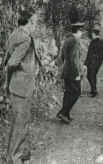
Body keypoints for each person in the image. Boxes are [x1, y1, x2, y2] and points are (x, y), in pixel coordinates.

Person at [3, 8, 42, 164]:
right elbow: (12, 62)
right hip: (22, 87)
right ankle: (14, 157)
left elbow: (8, 58)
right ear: (28, 22)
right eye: (34, 22)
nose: (35, 25)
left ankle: (23, 153)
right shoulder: (25, 39)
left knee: (20, 120)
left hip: (15, 86)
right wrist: (26, 70)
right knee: (21, 122)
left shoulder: (14, 34)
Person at [56, 16, 86, 124]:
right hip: (72, 72)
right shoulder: (75, 41)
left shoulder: (67, 40)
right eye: (81, 31)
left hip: (66, 70)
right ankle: (63, 113)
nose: (82, 34)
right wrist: (77, 73)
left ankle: (66, 114)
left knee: (68, 93)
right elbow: (74, 59)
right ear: (77, 31)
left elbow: (63, 57)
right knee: (76, 92)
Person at [84, 26, 103, 97]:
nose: (92, 35)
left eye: (92, 34)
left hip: (92, 62)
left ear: (94, 34)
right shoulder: (102, 42)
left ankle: (94, 91)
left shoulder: (93, 42)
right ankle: (94, 89)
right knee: (92, 75)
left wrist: (86, 63)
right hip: (96, 62)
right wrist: (100, 62)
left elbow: (89, 53)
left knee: (90, 75)